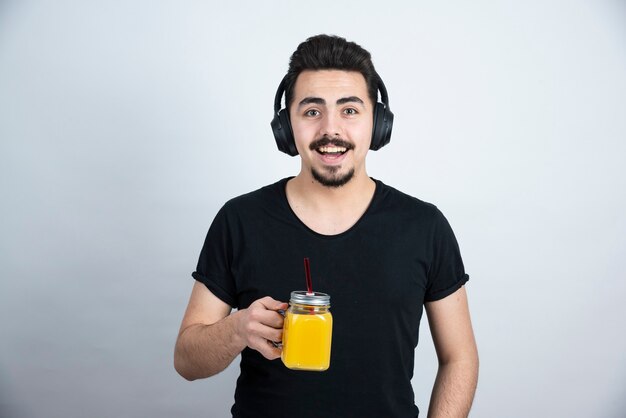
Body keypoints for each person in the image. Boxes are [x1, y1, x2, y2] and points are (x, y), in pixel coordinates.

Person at [174, 34, 479, 417]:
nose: (330, 130)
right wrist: (237, 330)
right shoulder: (239, 220)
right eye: (312, 111)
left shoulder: (425, 226)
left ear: (378, 123)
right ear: (287, 127)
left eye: (349, 110)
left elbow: (459, 358)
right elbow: (186, 360)